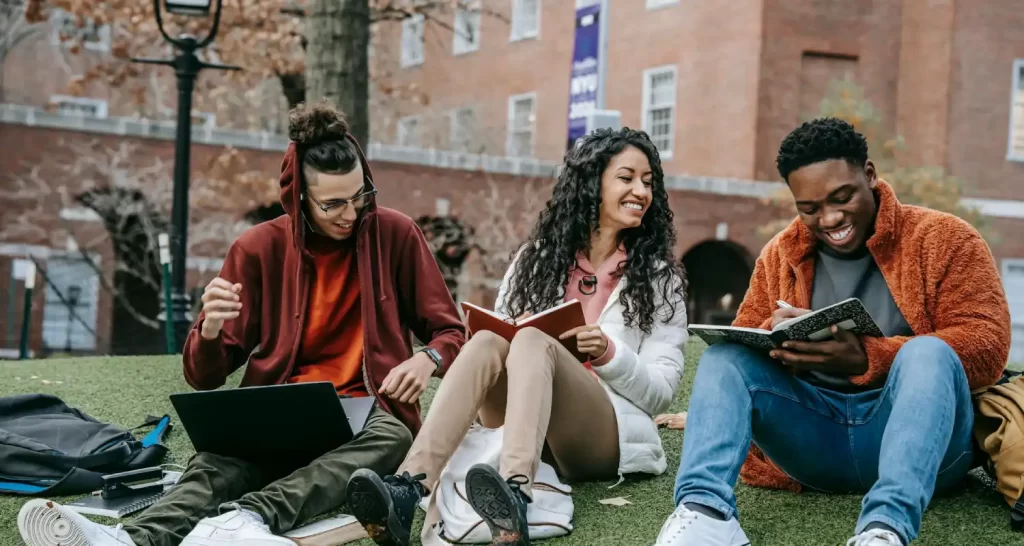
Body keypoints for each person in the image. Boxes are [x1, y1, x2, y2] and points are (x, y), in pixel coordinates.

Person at [16, 101, 467, 546]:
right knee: (216, 464)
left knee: (393, 437)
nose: (351, 213)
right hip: (278, 412)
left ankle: (247, 518)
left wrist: (427, 357)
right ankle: (127, 539)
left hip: (367, 415)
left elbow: (451, 332)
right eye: (333, 204)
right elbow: (204, 376)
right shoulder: (257, 249)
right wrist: (209, 329)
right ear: (299, 197)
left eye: (359, 196)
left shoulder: (396, 234)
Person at [654, 117, 1011, 546]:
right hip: (812, 443)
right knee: (724, 357)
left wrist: (870, 358)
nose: (830, 217)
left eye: (842, 197)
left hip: (923, 448)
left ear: (870, 175)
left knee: (928, 354)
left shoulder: (946, 239)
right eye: (810, 208)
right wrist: (775, 331)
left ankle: (884, 530)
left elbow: (988, 345)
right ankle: (705, 513)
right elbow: (745, 340)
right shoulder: (781, 252)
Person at [344, 127, 690, 546]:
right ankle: (407, 487)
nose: (641, 190)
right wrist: (505, 329)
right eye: (627, 177)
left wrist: (608, 352)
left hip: (598, 436)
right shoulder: (536, 258)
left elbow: (662, 391)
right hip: (519, 425)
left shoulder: (657, 277)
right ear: (591, 183)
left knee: (532, 341)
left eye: (649, 182)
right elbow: (497, 341)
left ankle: (515, 495)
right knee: (492, 341)